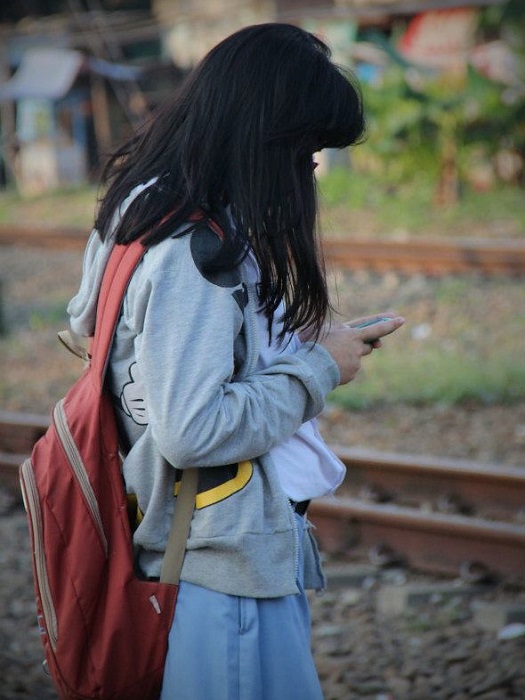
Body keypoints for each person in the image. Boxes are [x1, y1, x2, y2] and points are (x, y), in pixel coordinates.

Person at [67, 23, 405, 700]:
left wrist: (279, 344)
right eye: (306, 150)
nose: (310, 170)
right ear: (264, 138)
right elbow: (194, 430)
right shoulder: (194, 248)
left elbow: (105, 338)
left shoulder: (140, 208)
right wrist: (319, 368)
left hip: (195, 556)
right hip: (221, 571)